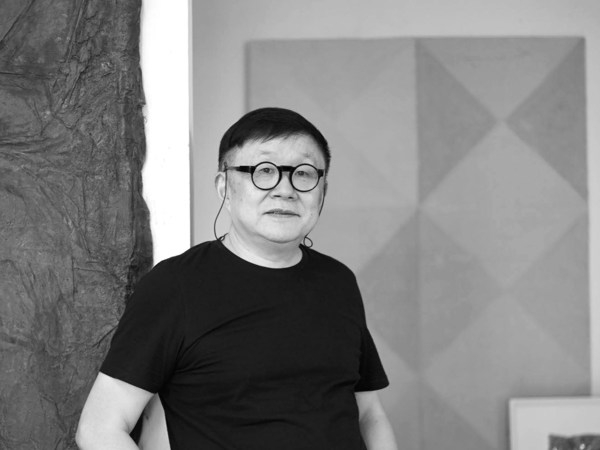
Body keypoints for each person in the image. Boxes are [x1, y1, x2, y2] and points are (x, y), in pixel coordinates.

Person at [76, 107, 398, 450]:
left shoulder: (338, 282)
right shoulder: (175, 285)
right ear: (224, 187)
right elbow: (100, 429)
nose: (285, 190)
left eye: (304, 174)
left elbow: (369, 414)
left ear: (323, 190)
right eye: (264, 171)